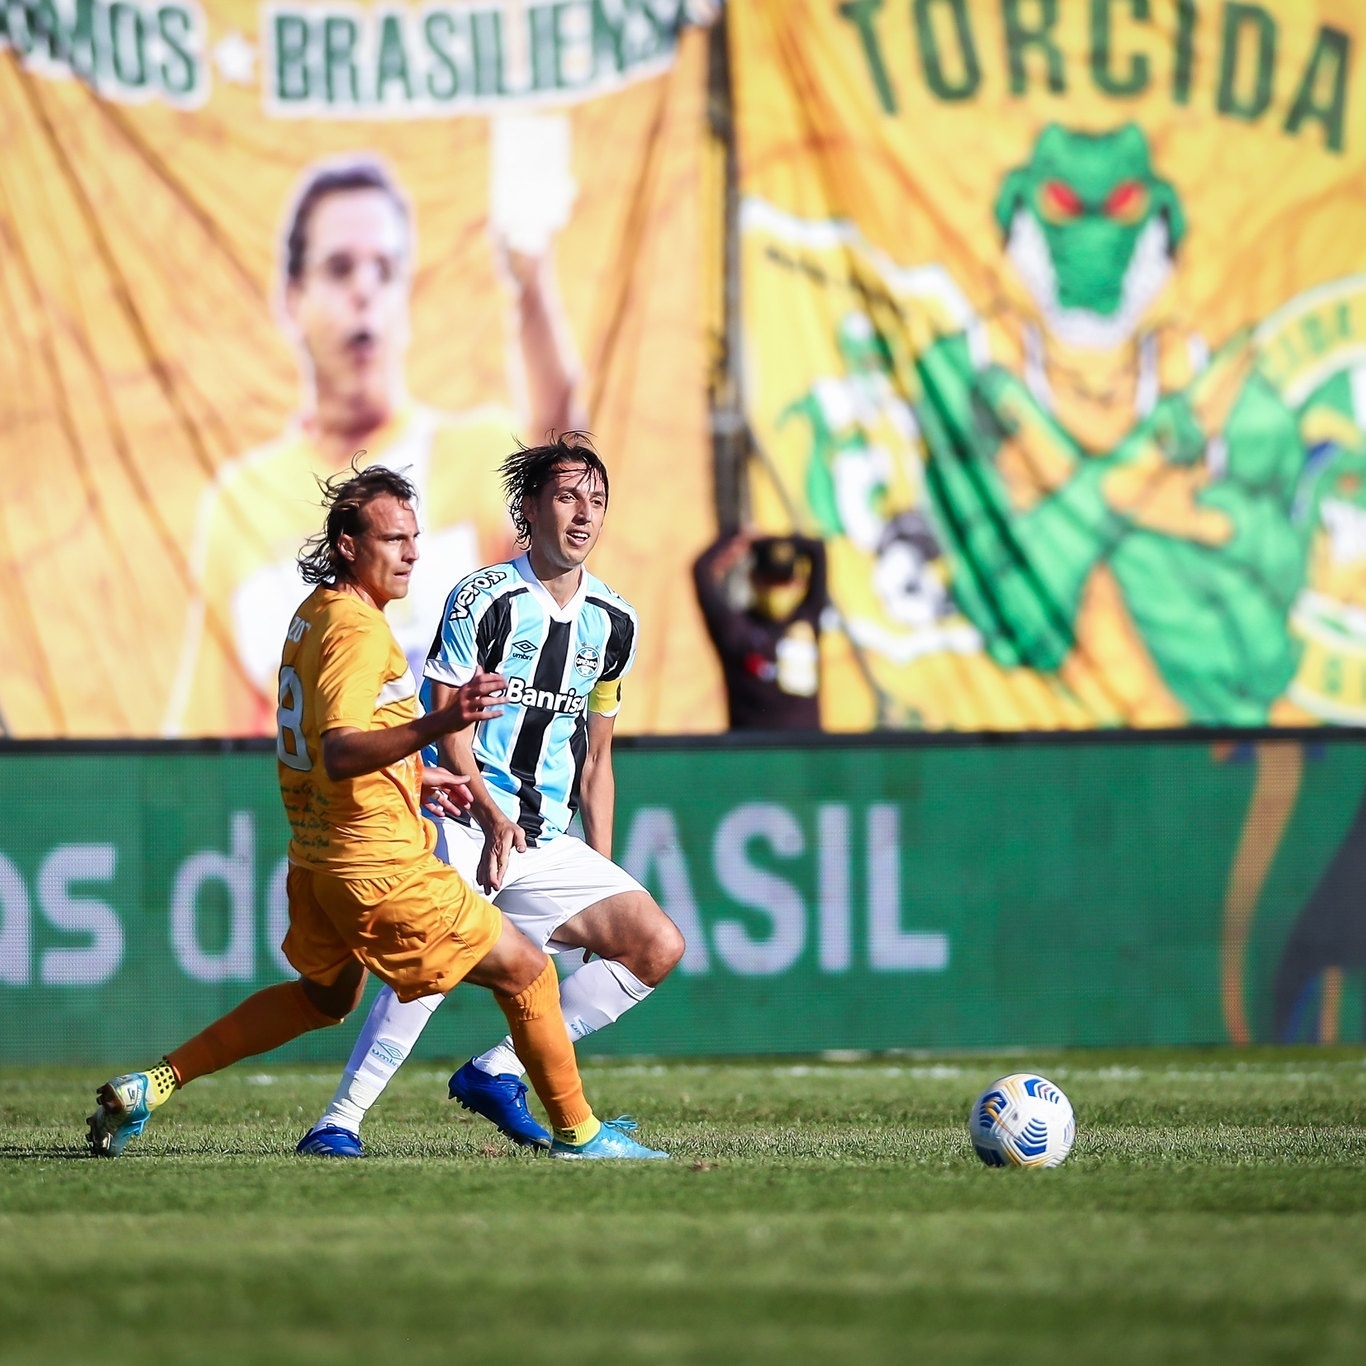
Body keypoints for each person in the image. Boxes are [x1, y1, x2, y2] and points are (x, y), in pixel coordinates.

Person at [89, 463, 665, 1162]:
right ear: (347, 545)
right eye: (394, 540)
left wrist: (416, 775)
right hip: (379, 858)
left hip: (325, 850)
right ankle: (575, 1135)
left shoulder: (315, 616)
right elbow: (340, 749)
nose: (413, 554)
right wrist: (438, 732)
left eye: (414, 538)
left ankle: (156, 1082)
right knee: (526, 972)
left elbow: (335, 742)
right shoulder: (365, 630)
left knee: (323, 1000)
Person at [300, 435, 685, 1156]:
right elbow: (445, 719)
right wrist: (485, 806)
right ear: (529, 510)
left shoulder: (615, 621)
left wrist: (599, 866)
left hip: (544, 837)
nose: (583, 514)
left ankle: (497, 1070)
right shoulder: (485, 598)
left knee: (655, 945)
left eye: (596, 500)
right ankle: (337, 1123)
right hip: (467, 818)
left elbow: (598, 755)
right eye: (567, 497)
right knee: (436, 962)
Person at [163, 154, 585, 736]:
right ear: (292, 298)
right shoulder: (239, 505)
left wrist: (532, 277)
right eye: (339, 268)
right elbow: (208, 746)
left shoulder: (479, 454)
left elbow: (564, 477)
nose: (364, 290)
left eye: (384, 270)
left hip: (467, 810)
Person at [693, 529, 828, 729]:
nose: (778, 589)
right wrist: (737, 534)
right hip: (753, 755)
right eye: (770, 580)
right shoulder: (736, 628)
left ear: (797, 583)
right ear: (753, 579)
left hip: (806, 756)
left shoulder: (807, 619)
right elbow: (701, 570)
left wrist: (778, 539)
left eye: (784, 582)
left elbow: (817, 550)